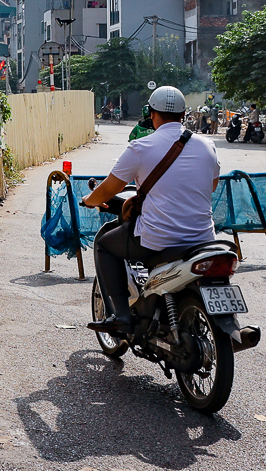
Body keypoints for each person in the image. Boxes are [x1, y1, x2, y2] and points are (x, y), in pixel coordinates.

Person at [81, 86, 220, 332]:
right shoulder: (207, 145)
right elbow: (211, 186)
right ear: (183, 114)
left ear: (151, 114)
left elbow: (106, 191)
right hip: (203, 239)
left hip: (158, 239)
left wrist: (90, 200)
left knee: (104, 244)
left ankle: (121, 315)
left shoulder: (140, 147)